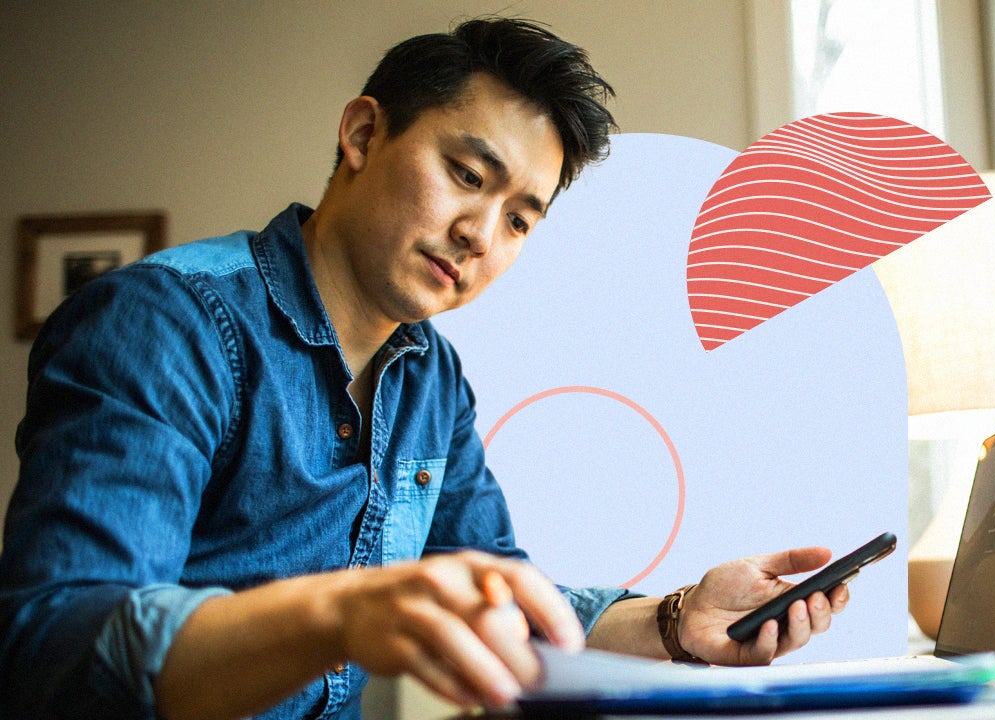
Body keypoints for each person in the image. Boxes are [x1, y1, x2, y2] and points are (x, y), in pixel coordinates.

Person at [0, 17, 850, 720]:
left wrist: (677, 621)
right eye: (466, 175)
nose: (482, 234)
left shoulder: (430, 377)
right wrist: (337, 613)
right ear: (364, 134)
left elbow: (504, 600)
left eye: (521, 220)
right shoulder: (165, 324)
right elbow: (59, 642)